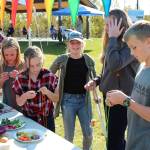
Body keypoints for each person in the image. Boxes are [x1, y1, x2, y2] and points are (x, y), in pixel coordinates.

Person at [84, 9, 139, 150]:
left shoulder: (130, 44)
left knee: (114, 139)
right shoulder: (111, 43)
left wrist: (113, 38)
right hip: (108, 96)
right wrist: (96, 81)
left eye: (110, 24)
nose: (107, 28)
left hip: (122, 98)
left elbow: (115, 65)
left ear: (121, 24)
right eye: (106, 24)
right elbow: (108, 71)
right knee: (114, 136)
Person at [106, 20, 150, 150]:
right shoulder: (142, 66)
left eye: (134, 47)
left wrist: (125, 101)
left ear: (148, 42)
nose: (131, 53)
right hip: (134, 139)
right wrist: (120, 99)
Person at [50, 31, 96, 150]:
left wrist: (94, 89)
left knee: (89, 134)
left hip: (84, 101)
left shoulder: (88, 60)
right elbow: (49, 74)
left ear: (82, 44)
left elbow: (95, 80)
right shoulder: (62, 59)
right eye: (72, 43)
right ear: (68, 44)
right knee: (69, 136)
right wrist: (54, 88)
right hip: (67, 101)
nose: (75, 45)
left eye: (78, 43)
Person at [12, 46, 59, 132]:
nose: (35, 69)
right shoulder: (20, 78)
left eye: (38, 65)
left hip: (47, 120)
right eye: (31, 66)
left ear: (42, 61)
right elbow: (19, 103)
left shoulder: (49, 76)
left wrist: (48, 92)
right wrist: (25, 96)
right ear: (26, 63)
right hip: (29, 119)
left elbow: (56, 98)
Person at [0, 37, 24, 111]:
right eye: (6, 55)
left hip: (23, 106)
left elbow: (30, 86)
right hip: (7, 105)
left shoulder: (23, 65)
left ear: (17, 52)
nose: (9, 57)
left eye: (12, 54)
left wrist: (20, 78)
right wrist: (1, 80)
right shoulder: (1, 65)